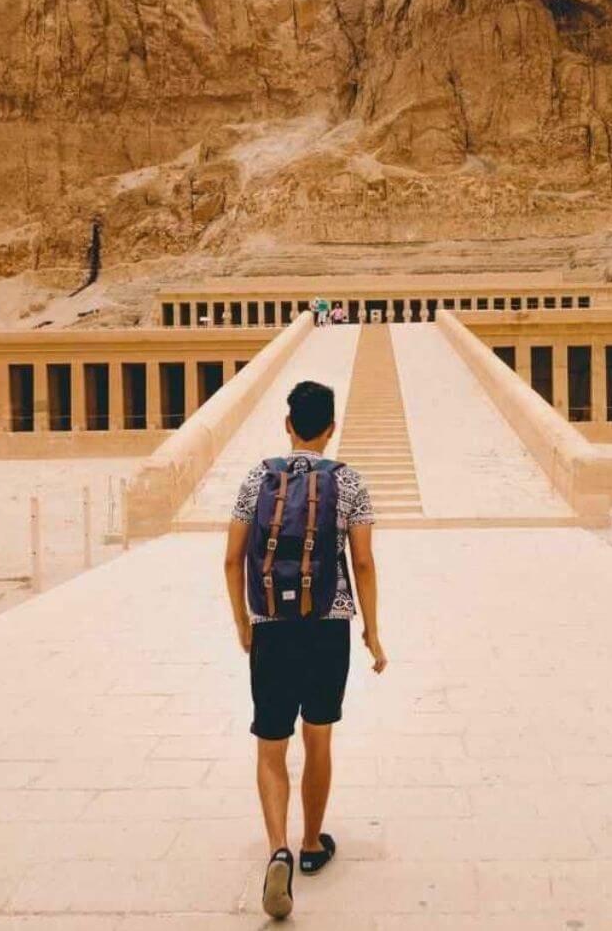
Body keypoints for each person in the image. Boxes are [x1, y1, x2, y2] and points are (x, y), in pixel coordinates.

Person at [223, 381, 385, 920]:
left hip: (272, 625)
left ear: (287, 424)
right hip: (327, 625)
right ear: (331, 428)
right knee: (318, 738)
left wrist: (244, 622)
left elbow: (232, 558)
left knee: (271, 745)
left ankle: (279, 850)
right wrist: (372, 631)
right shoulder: (350, 481)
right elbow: (363, 562)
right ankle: (312, 843)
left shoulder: (257, 477)